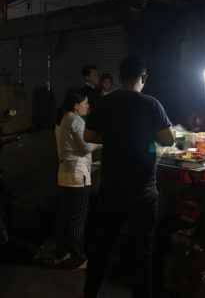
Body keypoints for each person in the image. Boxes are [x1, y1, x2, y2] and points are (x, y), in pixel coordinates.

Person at [82, 56, 174, 298]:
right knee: (142, 248)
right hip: (143, 189)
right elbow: (168, 140)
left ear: (120, 77)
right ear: (144, 78)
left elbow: (88, 135)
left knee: (102, 245)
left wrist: (111, 138)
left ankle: (90, 293)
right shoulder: (152, 104)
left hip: (111, 188)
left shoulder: (104, 103)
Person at [54, 88, 100, 269]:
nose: (87, 107)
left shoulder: (63, 119)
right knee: (77, 218)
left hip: (64, 173)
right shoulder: (77, 121)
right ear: (76, 105)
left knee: (65, 216)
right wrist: (100, 142)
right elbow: (86, 147)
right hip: (77, 175)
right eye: (85, 103)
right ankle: (79, 258)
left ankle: (60, 253)